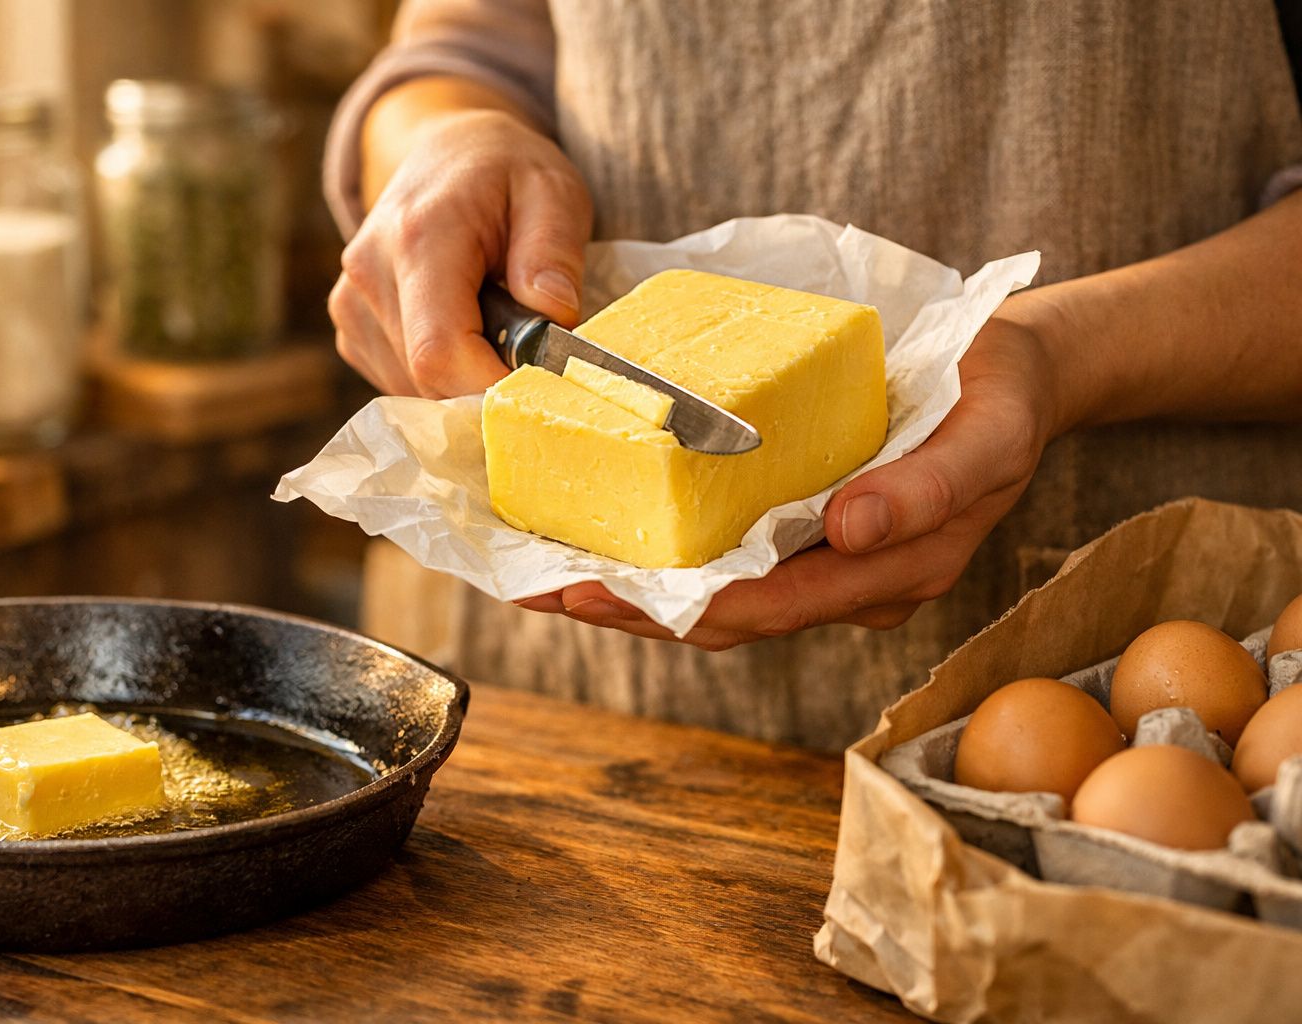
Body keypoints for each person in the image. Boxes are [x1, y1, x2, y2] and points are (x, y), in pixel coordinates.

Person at [322, 0, 1302, 749]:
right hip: (560, 705)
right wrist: (438, 146)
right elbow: (457, 51)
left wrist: (1062, 354)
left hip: (1108, 679)